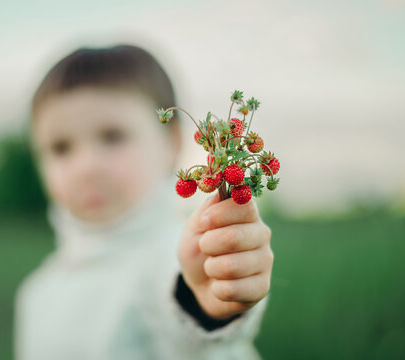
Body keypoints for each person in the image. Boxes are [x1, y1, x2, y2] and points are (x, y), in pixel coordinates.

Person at [14, 44, 274, 360]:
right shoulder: (37, 294)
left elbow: (191, 321)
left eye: (113, 136)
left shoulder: (176, 253)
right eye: (61, 148)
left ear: (172, 143)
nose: (86, 167)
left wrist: (209, 302)